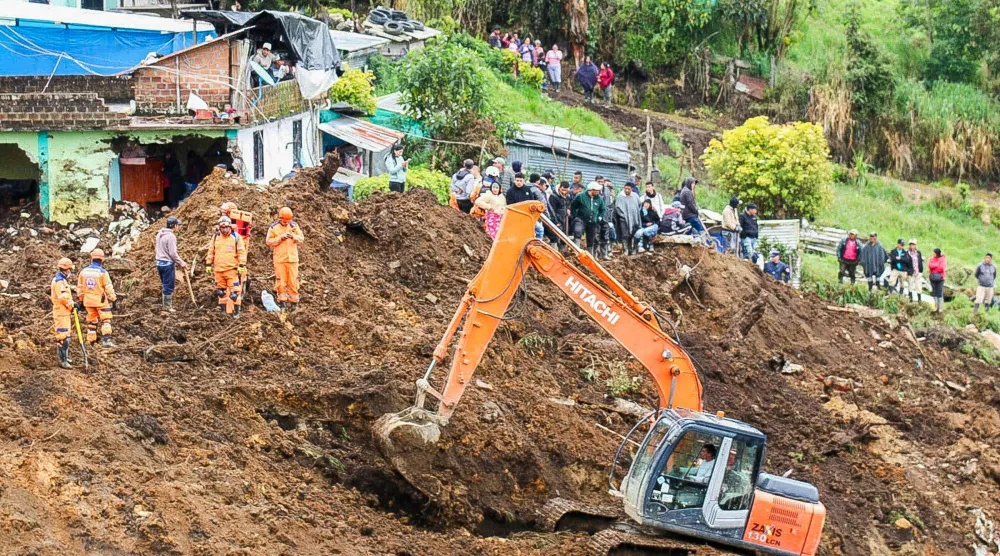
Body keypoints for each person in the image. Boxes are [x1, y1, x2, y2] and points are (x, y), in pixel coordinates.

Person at [206, 216, 247, 317]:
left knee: (234, 293)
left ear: (230, 227)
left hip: (231, 270)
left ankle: (236, 313)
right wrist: (208, 264)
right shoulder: (216, 237)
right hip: (219, 270)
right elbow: (211, 251)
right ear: (219, 228)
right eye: (222, 228)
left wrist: (241, 265)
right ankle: (223, 314)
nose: (224, 230)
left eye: (226, 228)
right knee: (221, 292)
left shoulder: (236, 237)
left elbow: (242, 252)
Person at [265, 207, 304, 312]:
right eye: (285, 221)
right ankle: (282, 302)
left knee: (293, 281)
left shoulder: (294, 226)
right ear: (280, 218)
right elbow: (268, 242)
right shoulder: (273, 228)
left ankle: (294, 302)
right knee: (281, 282)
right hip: (280, 259)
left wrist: (293, 236)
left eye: (288, 221)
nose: (286, 223)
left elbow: (301, 238)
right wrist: (280, 238)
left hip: (292, 259)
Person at [77, 249, 117, 347]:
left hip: (88, 301)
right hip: (100, 301)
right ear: (102, 259)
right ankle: (106, 340)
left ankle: (91, 342)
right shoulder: (102, 272)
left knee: (92, 321)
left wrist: (81, 300)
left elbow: (80, 288)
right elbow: (108, 287)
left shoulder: (83, 272)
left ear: (92, 258)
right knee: (106, 320)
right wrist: (113, 299)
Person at [155, 216, 188, 313]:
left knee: (165, 284)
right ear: (174, 226)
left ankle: (165, 304)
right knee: (168, 285)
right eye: (178, 225)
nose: (179, 227)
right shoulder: (171, 236)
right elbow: (173, 253)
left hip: (159, 263)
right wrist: (181, 262)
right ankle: (167, 307)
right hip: (167, 264)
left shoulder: (160, 233)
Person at [50, 257, 76, 368]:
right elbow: (63, 297)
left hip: (64, 312)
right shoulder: (59, 281)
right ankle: (62, 360)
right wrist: (72, 305)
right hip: (61, 313)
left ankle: (65, 357)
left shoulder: (61, 280)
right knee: (63, 337)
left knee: (66, 336)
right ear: (66, 269)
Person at [571, 181, 606, 257]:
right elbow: (573, 206)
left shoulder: (599, 199)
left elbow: (602, 209)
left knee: (591, 238)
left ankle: (590, 255)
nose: (598, 192)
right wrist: (575, 216)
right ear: (591, 190)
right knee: (578, 231)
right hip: (581, 219)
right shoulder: (581, 196)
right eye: (596, 190)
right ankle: (576, 251)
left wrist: (599, 217)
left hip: (593, 221)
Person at [614, 183, 642, 255]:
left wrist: (635, 213)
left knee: (633, 233)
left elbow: (639, 205)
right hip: (623, 219)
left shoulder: (635, 196)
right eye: (625, 188)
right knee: (625, 234)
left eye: (628, 189)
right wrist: (622, 215)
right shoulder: (620, 196)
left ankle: (632, 248)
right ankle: (625, 249)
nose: (626, 190)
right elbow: (617, 208)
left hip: (634, 219)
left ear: (631, 189)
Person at [547, 181, 573, 246]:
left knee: (564, 237)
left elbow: (569, 204)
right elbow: (552, 211)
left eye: (566, 190)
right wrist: (556, 221)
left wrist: (568, 209)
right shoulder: (553, 197)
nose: (564, 192)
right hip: (557, 219)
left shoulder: (568, 196)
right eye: (563, 190)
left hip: (564, 219)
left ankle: (563, 252)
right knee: (556, 236)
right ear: (559, 188)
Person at [928, 248, 947, 313]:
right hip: (932, 278)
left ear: (937, 253)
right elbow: (930, 265)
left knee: (939, 293)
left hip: (940, 278)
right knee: (934, 292)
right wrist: (936, 266)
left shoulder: (943, 259)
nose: (933, 254)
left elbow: (941, 268)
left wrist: (934, 269)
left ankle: (940, 308)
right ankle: (935, 307)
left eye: (934, 253)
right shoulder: (931, 258)